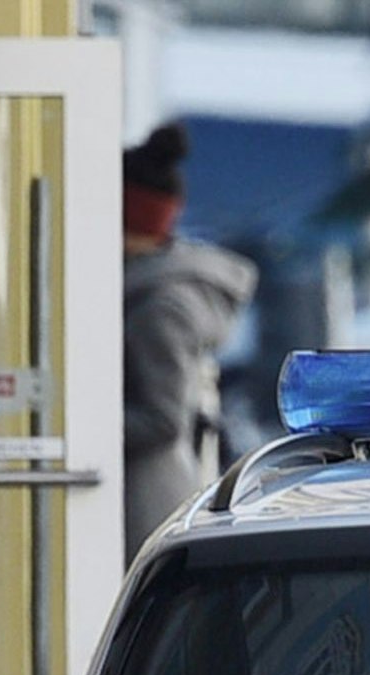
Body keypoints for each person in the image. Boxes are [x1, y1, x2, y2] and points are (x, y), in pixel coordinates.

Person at [121, 124, 257, 557]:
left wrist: (79, 426)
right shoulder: (151, 290)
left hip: (139, 506)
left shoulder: (161, 308)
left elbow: (163, 419)